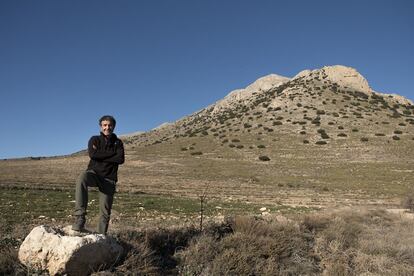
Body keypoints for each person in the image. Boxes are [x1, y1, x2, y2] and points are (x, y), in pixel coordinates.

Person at [72, 115, 125, 234]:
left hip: (109, 178)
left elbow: (120, 159)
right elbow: (93, 155)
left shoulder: (118, 142)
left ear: (114, 126)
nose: (107, 127)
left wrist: (100, 154)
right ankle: (80, 218)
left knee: (105, 212)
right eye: (105, 125)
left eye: (110, 125)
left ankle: (101, 237)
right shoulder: (94, 139)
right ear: (101, 127)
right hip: (94, 173)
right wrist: (112, 155)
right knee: (82, 178)